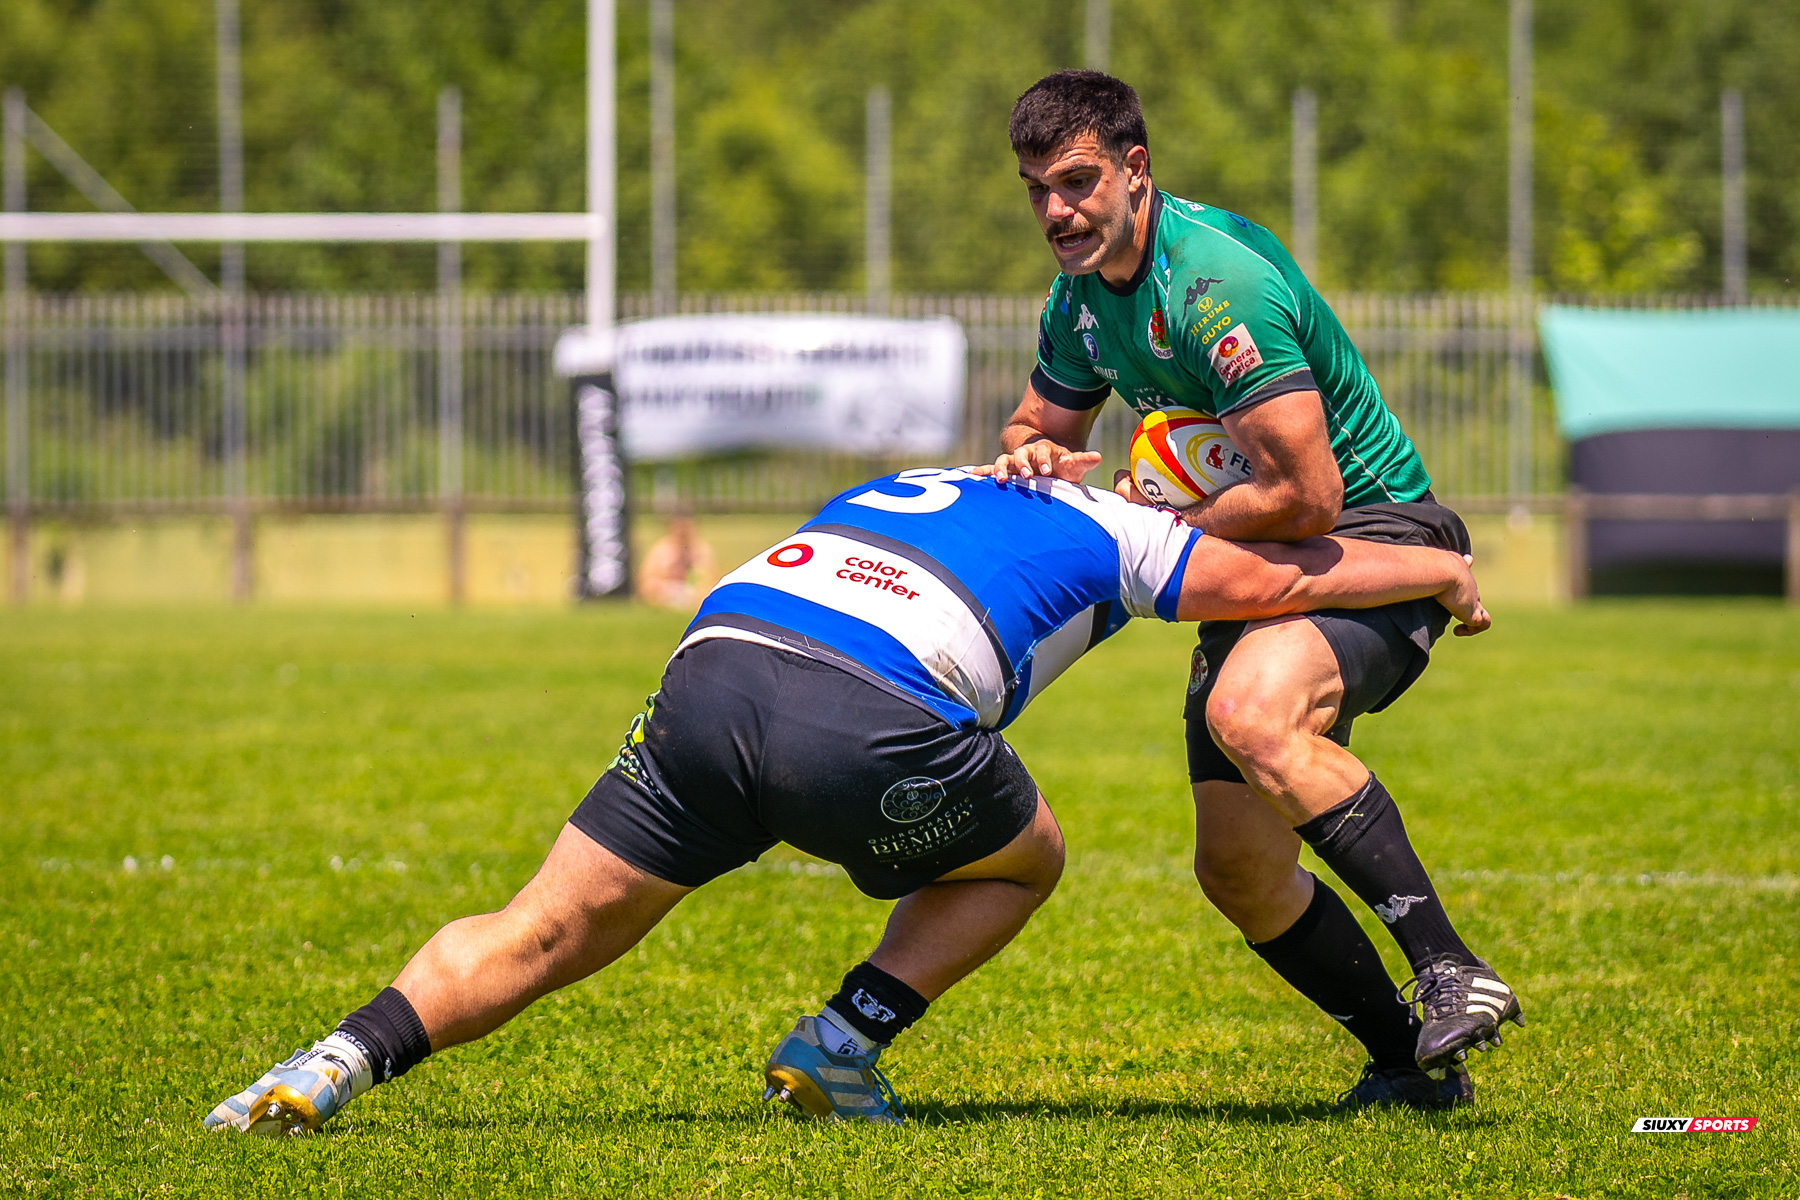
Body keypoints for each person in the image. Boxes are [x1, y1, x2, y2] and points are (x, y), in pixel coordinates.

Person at [204, 467, 1487, 1136]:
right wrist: (1430, 568)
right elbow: (1274, 588)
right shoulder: (1128, 527)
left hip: (714, 672)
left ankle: (334, 1062)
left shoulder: (929, 478)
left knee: (543, 925)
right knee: (1025, 858)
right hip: (864, 712)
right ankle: (841, 1042)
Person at [983, 70, 1522, 1111]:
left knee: (1250, 715)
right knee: (1237, 868)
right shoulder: (1079, 299)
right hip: (1253, 556)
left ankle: (1454, 967)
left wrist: (1158, 529)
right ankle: (1409, 1069)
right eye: (1037, 189)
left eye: (1078, 180)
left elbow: (1310, 495)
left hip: (1367, 532)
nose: (1056, 209)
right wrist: (1028, 454)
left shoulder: (1213, 284)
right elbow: (1036, 424)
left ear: (1135, 169)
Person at [636, 513, 718, 609]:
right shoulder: (661, 549)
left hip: (693, 594)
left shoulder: (701, 549)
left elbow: (710, 579)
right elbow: (646, 581)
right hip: (668, 592)